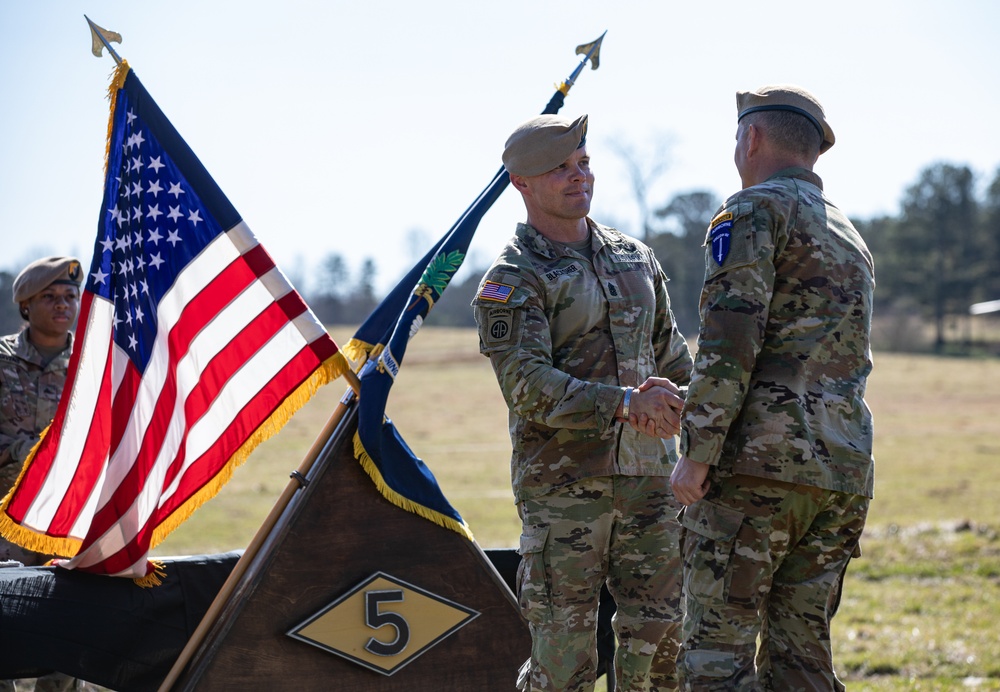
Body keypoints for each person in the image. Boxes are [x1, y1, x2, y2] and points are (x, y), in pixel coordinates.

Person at [472, 113, 693, 691]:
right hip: (566, 493)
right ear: (520, 183)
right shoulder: (512, 279)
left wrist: (684, 406)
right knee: (565, 661)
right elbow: (527, 386)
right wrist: (625, 404)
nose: (579, 176)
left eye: (584, 163)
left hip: (652, 483)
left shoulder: (636, 260)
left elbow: (674, 361)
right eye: (560, 169)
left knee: (660, 650)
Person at [668, 85, 875, 689]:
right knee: (802, 661)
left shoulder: (752, 211)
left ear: (752, 137)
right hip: (840, 474)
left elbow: (729, 343)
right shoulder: (850, 235)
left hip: (758, 468)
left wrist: (697, 454)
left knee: (715, 657)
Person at [1, 256, 83, 692]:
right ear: (26, 306)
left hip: (67, 521)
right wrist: (33, 454)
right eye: (49, 296)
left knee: (68, 631)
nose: (62, 304)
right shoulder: (2, 360)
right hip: (5, 521)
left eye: (70, 296)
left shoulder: (94, 369)